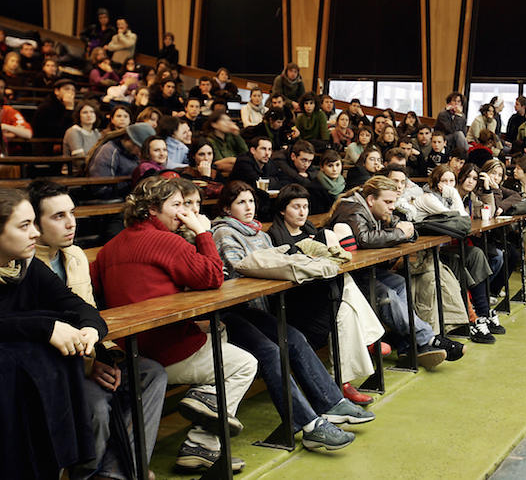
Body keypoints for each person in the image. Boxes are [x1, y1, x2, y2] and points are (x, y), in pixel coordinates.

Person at [91, 177, 258, 472]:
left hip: (131, 351)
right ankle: (202, 441)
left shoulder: (109, 248)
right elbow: (212, 276)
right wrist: (203, 232)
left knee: (218, 331)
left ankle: (205, 403)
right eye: (177, 205)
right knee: (244, 363)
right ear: (152, 209)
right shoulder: (167, 241)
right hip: (166, 351)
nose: (184, 213)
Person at [211, 182, 371, 450]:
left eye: (251, 201)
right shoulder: (224, 233)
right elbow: (239, 273)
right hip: (234, 312)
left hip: (261, 308)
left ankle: (332, 403)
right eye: (241, 203)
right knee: (271, 349)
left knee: (294, 338)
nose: (249, 207)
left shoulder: (258, 233)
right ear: (227, 208)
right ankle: (309, 425)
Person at [27, 180, 167, 480]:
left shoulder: (76, 256)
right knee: (97, 408)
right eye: (58, 216)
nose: (71, 223)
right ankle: (88, 474)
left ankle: (116, 470)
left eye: (72, 213)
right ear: (35, 224)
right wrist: (89, 368)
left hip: (92, 355)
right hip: (60, 369)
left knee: (151, 372)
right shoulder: (26, 265)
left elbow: (89, 313)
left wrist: (108, 357)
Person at [0, 188, 107, 479]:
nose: (35, 233)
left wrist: (89, 330)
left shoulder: (26, 265)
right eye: (24, 226)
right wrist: (46, 327)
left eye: (35, 223)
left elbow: (77, 306)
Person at [266, 183, 386, 404]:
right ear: (283, 210)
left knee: (343, 308)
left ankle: (344, 381)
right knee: (344, 293)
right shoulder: (276, 237)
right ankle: (363, 348)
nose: (302, 212)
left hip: (323, 296)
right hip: (297, 303)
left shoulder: (311, 230)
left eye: (305, 206)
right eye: (296, 207)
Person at [327, 176, 465, 368]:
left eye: (393, 201)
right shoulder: (352, 209)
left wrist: (407, 231)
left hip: (366, 271)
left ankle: (407, 346)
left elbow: (403, 227)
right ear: (371, 200)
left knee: (400, 283)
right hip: (346, 278)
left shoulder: (377, 210)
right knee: (387, 296)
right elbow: (365, 238)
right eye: (388, 202)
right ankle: (427, 339)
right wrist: (401, 234)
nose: (392, 206)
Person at [413, 165, 504, 341]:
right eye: (444, 181)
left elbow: (472, 218)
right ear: (435, 182)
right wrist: (454, 193)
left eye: (451, 181)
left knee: (477, 254)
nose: (447, 185)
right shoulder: (429, 198)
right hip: (430, 252)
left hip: (448, 245)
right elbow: (458, 218)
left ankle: (483, 313)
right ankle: (472, 319)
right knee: (458, 261)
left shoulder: (456, 197)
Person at [88, 122, 155, 198]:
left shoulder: (132, 153)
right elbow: (101, 188)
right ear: (130, 141)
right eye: (140, 148)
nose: (140, 153)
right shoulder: (109, 151)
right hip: (108, 196)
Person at [230, 136, 279, 219]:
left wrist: (266, 182)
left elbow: (277, 181)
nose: (267, 153)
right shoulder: (243, 161)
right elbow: (255, 182)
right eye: (263, 149)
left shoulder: (269, 162)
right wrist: (268, 181)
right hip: (238, 200)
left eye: (269, 149)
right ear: (253, 150)